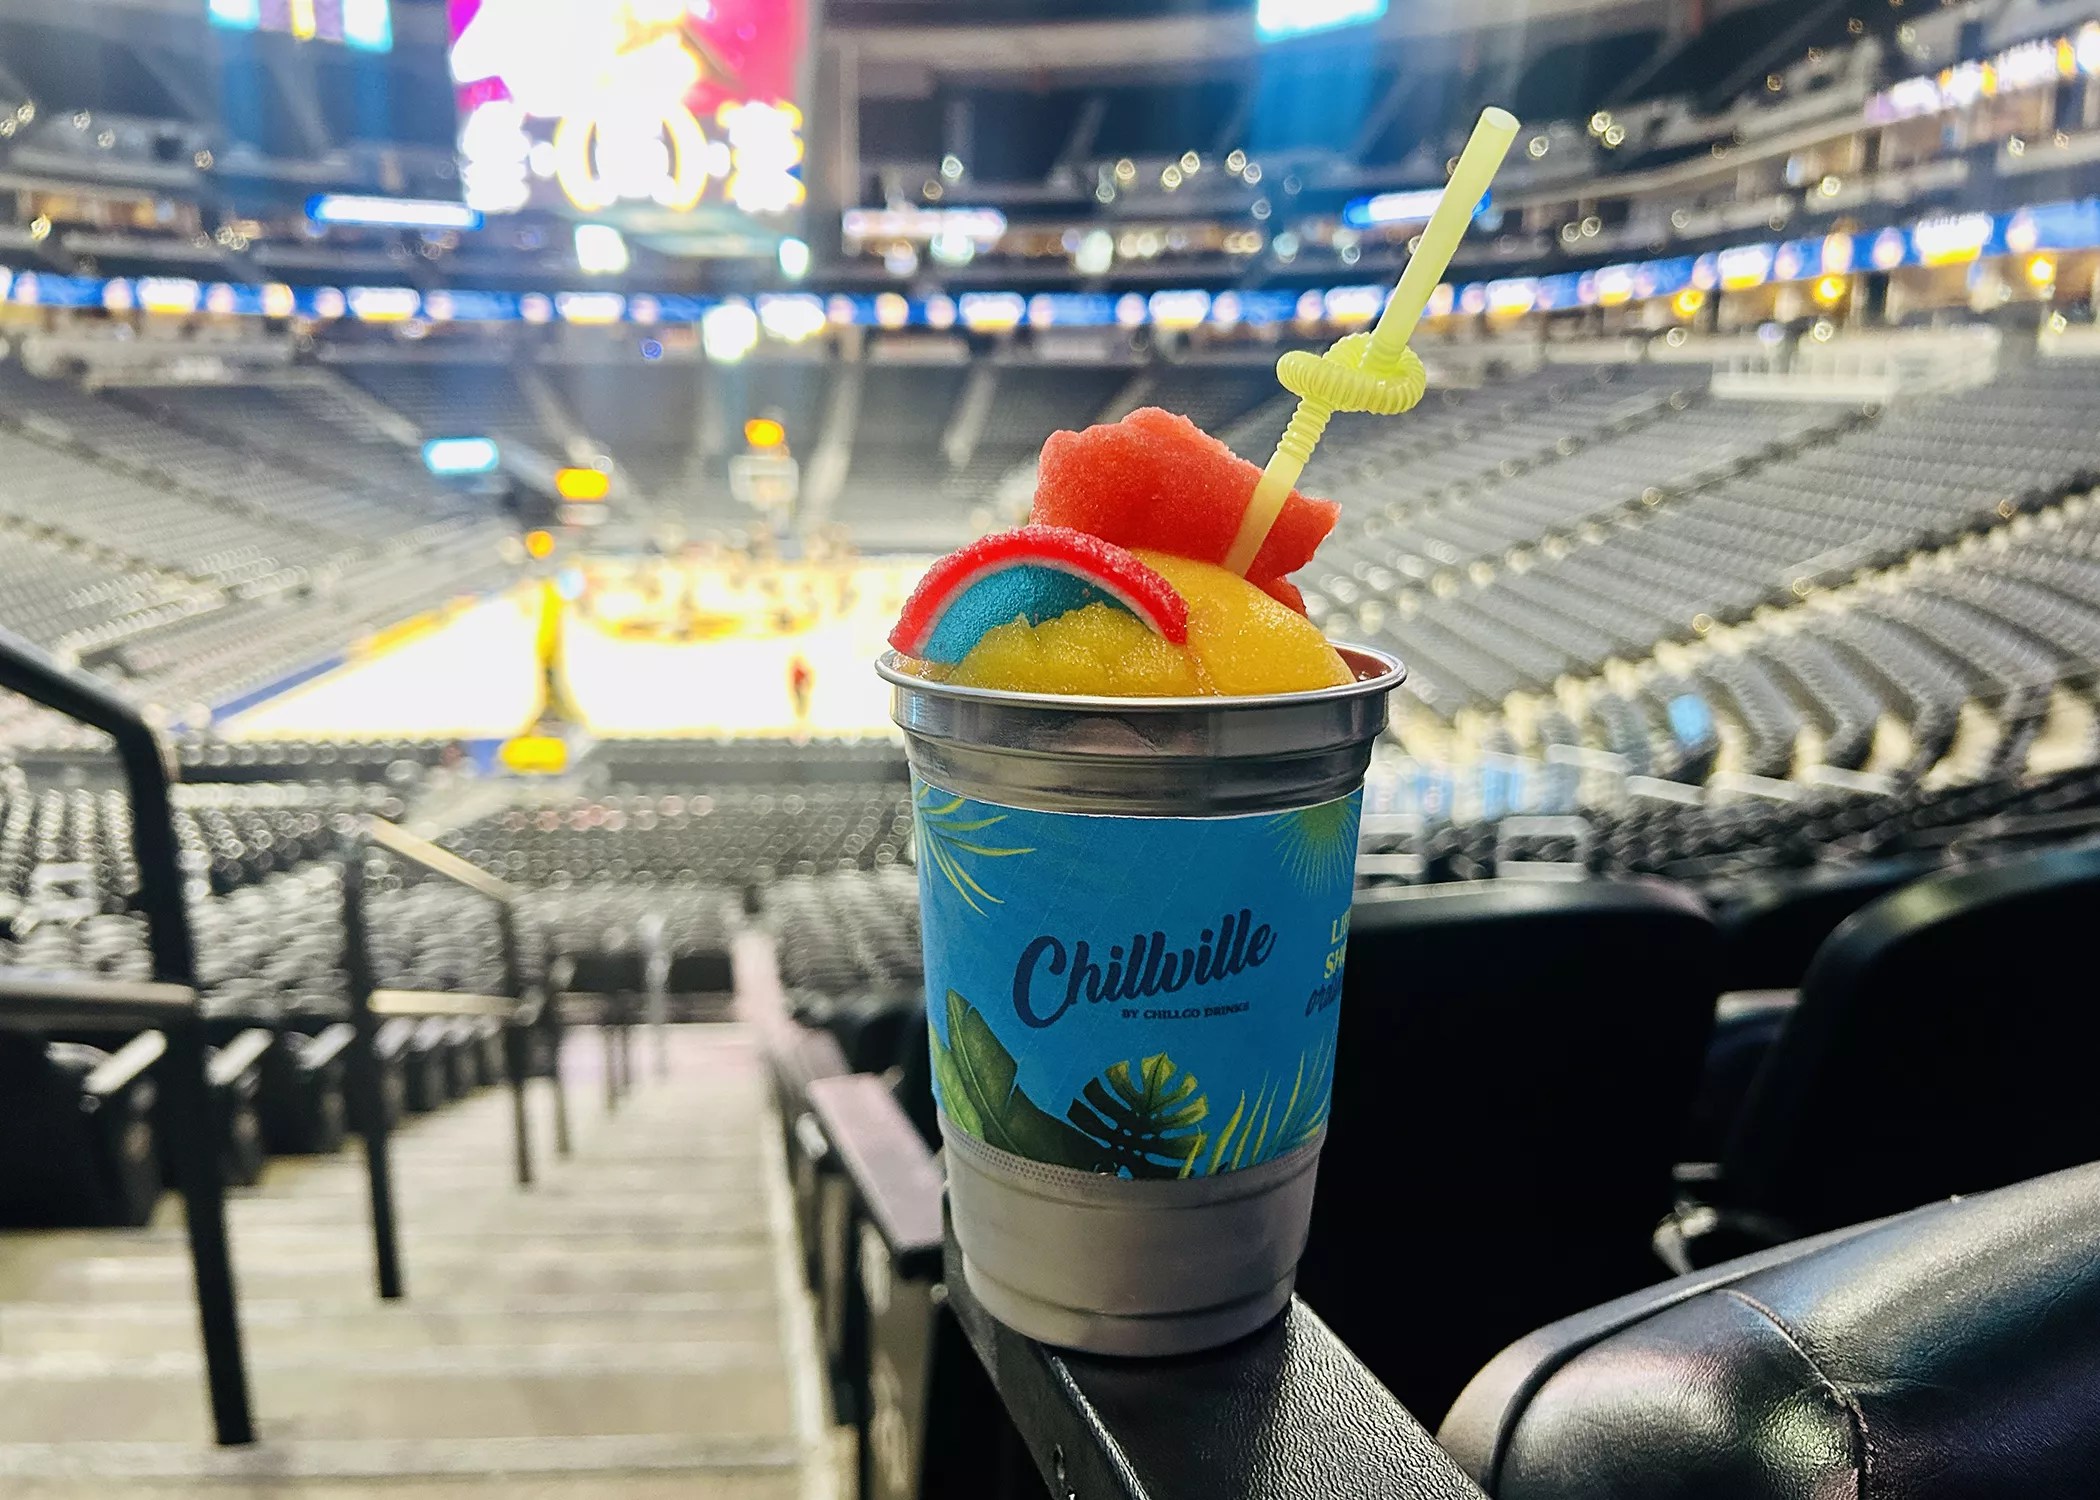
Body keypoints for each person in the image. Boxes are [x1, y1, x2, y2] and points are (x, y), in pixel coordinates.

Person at [788, 653, 814, 727]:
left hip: (800, 689)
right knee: (799, 704)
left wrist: (805, 685)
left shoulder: (798, 669)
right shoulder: (796, 669)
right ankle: (800, 720)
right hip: (798, 689)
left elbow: (806, 676)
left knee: (801, 704)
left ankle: (802, 720)